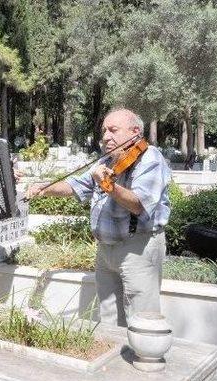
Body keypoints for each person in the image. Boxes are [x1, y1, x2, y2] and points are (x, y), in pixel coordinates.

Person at [26, 108, 171, 326]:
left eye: (113, 130)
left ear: (135, 132)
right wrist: (44, 189)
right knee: (108, 316)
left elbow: (139, 204)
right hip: (106, 250)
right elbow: (75, 185)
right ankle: (112, 358)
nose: (105, 136)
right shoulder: (108, 160)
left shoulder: (150, 158)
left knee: (142, 317)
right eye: (104, 131)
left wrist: (109, 186)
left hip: (137, 248)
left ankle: (143, 358)